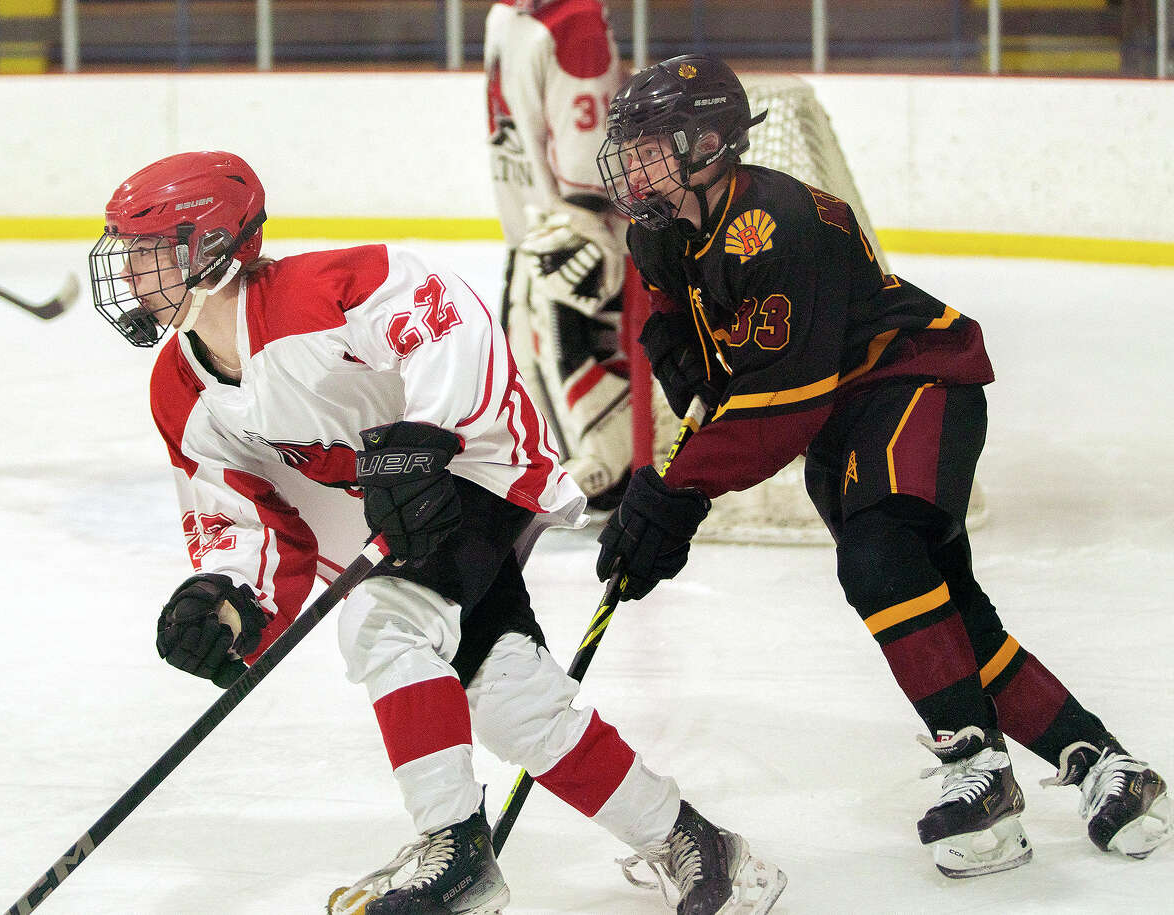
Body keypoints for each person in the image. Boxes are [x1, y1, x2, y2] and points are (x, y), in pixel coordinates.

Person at [88, 150, 787, 915]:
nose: (128, 272)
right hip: (394, 517)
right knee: (513, 700)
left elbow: (444, 309)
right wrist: (225, 601)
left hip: (473, 468)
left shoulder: (315, 296)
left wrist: (423, 435)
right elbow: (241, 516)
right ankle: (697, 841)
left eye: (148, 250)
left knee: (382, 622)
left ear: (212, 248)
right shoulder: (178, 388)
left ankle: (455, 851)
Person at [594, 54, 1173, 879]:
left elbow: (780, 411)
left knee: (880, 559)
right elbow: (680, 331)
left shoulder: (782, 223)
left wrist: (674, 496)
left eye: (652, 144)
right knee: (945, 611)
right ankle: (1108, 764)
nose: (634, 162)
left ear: (711, 140)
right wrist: (689, 374)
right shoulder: (658, 231)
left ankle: (979, 769)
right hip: (845, 414)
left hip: (911, 384)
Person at [484, 0, 635, 508]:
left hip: (571, 226)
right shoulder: (509, 18)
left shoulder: (576, 22)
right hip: (533, 224)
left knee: (559, 332)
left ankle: (612, 466)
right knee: (521, 354)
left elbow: (592, 168)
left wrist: (580, 227)